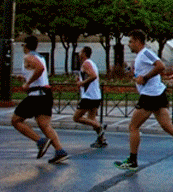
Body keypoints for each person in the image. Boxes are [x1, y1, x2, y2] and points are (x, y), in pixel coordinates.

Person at [114, 30, 173, 172]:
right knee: (167, 126)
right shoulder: (140, 57)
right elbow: (143, 75)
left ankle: (132, 160)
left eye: (130, 41)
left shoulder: (145, 53)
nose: (129, 44)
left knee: (133, 126)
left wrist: (145, 78)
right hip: (156, 93)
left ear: (137, 41)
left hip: (151, 95)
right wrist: (137, 77)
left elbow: (161, 66)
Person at [11, 36, 69, 164]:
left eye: (23, 45)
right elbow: (39, 72)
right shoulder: (40, 56)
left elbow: (40, 69)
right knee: (44, 125)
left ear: (26, 45)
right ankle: (60, 151)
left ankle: (40, 141)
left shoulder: (29, 57)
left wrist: (28, 83)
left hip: (36, 95)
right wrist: (25, 78)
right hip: (46, 94)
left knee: (15, 121)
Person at [73, 46, 107, 148]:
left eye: (80, 51)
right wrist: (79, 80)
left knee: (76, 117)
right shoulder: (91, 63)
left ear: (84, 53)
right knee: (91, 119)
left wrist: (82, 82)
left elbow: (93, 76)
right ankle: (102, 140)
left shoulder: (86, 63)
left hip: (89, 96)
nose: (78, 53)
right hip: (95, 95)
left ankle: (100, 126)